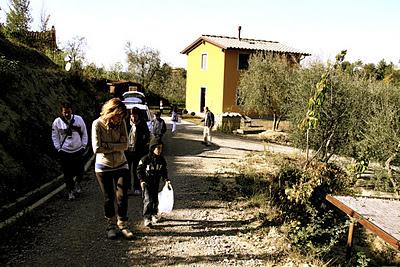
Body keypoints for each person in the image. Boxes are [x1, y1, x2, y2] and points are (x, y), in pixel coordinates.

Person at [92, 98, 133, 239]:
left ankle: (123, 224)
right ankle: (111, 225)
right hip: (103, 166)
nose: (119, 118)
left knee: (122, 195)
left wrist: (108, 145)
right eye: (118, 115)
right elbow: (97, 148)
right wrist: (116, 145)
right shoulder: (97, 124)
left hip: (121, 163)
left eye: (122, 116)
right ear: (110, 112)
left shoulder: (121, 123)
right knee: (109, 197)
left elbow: (126, 145)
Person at [51, 102, 88, 201]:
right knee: (67, 173)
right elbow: (54, 136)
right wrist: (58, 148)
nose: (67, 114)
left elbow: (84, 132)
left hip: (78, 150)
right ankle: (70, 191)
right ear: (61, 112)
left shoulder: (78, 119)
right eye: (65, 112)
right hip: (65, 151)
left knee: (80, 171)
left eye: (68, 112)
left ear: (71, 110)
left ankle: (77, 184)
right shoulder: (57, 122)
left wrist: (84, 145)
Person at [137, 137, 171, 227]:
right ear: (152, 148)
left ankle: (153, 214)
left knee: (155, 200)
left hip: (156, 183)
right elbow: (139, 170)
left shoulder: (161, 160)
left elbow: (164, 171)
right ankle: (147, 217)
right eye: (158, 148)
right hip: (147, 183)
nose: (159, 150)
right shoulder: (145, 159)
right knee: (148, 200)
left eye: (161, 148)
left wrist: (166, 180)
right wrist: (142, 180)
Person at [125, 107, 150, 195]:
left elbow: (147, 137)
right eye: (132, 116)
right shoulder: (126, 123)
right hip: (127, 151)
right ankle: (127, 187)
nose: (134, 118)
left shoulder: (142, 124)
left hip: (138, 151)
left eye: (135, 116)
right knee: (126, 170)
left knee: (136, 170)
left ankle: (136, 187)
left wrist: (143, 143)